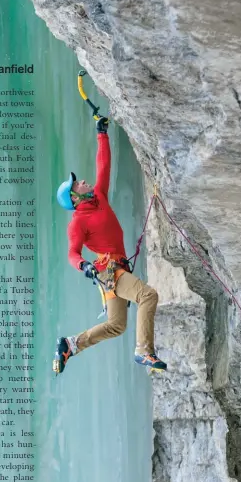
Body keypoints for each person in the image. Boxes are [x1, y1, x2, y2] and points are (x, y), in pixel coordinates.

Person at [54, 115, 167, 374]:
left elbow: (103, 166)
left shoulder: (99, 197)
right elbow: (72, 252)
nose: (82, 181)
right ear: (74, 196)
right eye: (77, 184)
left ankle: (71, 344)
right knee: (147, 295)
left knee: (116, 325)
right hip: (108, 270)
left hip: (117, 268)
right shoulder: (77, 221)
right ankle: (144, 351)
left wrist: (101, 133)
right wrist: (83, 265)